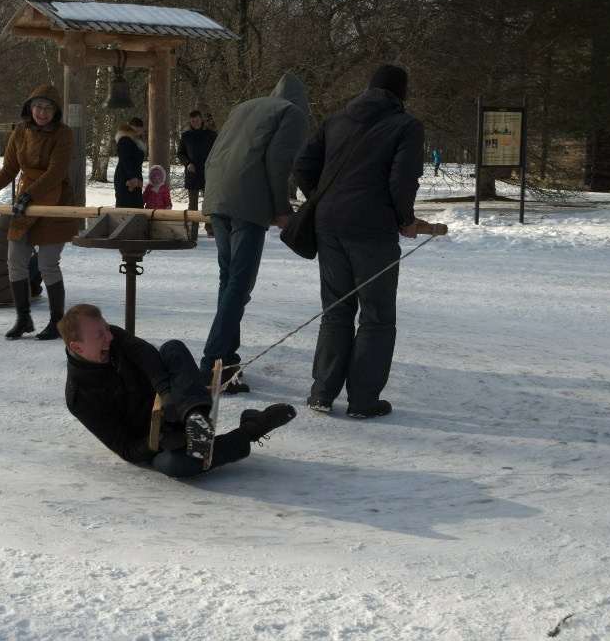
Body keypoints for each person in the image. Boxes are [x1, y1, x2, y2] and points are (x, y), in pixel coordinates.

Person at [292, 63, 426, 418]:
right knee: (377, 316)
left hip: (329, 227)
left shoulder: (336, 119)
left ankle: (321, 393)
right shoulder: (406, 126)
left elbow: (303, 165)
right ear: (402, 95)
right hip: (372, 231)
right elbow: (403, 180)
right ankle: (363, 400)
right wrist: (405, 219)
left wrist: (322, 200)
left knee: (336, 311)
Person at [59, 303, 296, 479]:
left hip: (180, 400)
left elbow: (146, 353)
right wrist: (160, 439)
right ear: (76, 347)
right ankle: (251, 429)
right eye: (99, 335)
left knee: (172, 348)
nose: (109, 336)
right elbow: (126, 449)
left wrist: (166, 393)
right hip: (159, 438)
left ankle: (196, 417)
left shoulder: (114, 338)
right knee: (176, 465)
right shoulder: (80, 398)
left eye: (107, 329)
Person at [200, 73, 310, 393]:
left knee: (228, 280)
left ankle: (226, 359)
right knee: (239, 283)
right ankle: (212, 365)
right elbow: (278, 164)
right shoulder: (292, 114)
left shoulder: (243, 107)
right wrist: (282, 210)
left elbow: (215, 154)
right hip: (248, 204)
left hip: (218, 197)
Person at [0, 84, 77, 340]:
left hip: (55, 201)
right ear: (30, 107)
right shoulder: (19, 133)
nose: (42, 112)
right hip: (24, 205)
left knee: (48, 264)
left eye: (48, 107)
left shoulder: (63, 134)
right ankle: (23, 318)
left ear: (56, 111)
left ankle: (56, 322)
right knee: (15, 262)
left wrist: (29, 195)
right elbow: (9, 170)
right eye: (38, 106)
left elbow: (56, 172)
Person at [176, 110, 217, 233]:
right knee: (192, 205)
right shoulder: (186, 136)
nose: (195, 123)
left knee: (209, 204)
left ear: (202, 119)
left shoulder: (211, 134)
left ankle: (210, 228)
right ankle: (192, 230)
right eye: (193, 121)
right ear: (190, 122)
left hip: (208, 173)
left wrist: (214, 165)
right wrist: (187, 163)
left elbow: (218, 151)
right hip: (192, 174)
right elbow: (180, 153)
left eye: (197, 120)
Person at [113, 116, 146, 208]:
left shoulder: (137, 141)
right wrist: (133, 177)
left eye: (140, 127)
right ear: (130, 127)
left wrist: (138, 178)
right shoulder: (125, 139)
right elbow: (125, 160)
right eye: (135, 126)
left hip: (134, 177)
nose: (138, 129)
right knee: (125, 205)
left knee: (136, 205)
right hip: (125, 176)